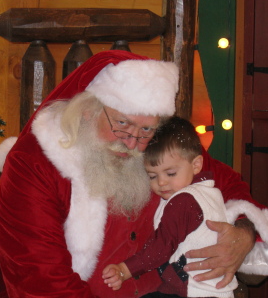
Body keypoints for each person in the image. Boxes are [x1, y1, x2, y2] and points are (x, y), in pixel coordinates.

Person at [0, 50, 268, 298]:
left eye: (147, 129)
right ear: (86, 110)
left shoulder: (158, 147)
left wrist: (244, 232)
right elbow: (41, 282)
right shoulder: (34, 165)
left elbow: (227, 183)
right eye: (121, 124)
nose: (133, 142)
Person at [102, 116, 238, 298]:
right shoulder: (208, 190)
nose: (162, 182)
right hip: (215, 290)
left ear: (196, 164)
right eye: (152, 176)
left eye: (171, 173)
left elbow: (162, 246)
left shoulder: (184, 202)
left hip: (194, 291)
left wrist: (124, 269)